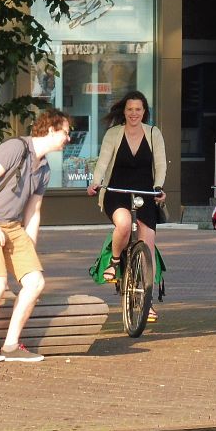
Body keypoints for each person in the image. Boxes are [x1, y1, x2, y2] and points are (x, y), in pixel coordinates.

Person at [0, 108, 72, 363]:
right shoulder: (15, 147)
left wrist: (28, 247)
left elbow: (33, 212)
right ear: (50, 129)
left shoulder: (44, 169)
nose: (68, 138)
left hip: (12, 226)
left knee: (35, 282)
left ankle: (11, 345)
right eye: (66, 133)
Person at [86, 91, 167, 322]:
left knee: (148, 245)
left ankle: (147, 303)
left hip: (144, 194)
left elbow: (160, 164)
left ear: (144, 112)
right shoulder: (113, 134)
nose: (134, 113)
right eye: (130, 109)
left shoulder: (153, 133)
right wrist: (96, 182)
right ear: (124, 111)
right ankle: (114, 261)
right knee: (123, 224)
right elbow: (103, 162)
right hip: (117, 192)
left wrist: (158, 187)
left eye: (138, 109)